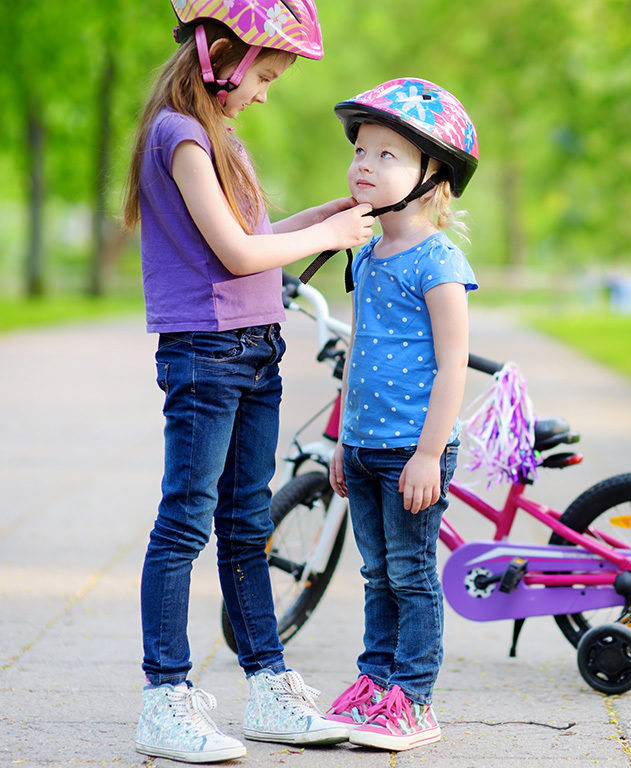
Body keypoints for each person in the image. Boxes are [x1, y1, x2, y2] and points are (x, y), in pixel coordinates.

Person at [121, 1, 374, 762]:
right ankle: (164, 697)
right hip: (205, 355)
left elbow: (254, 241)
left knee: (244, 526)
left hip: (256, 352)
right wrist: (328, 236)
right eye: (264, 74)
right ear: (220, 56)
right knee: (184, 524)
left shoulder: (220, 138)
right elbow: (234, 255)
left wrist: (322, 216)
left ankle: (267, 684)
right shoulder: (182, 136)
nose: (266, 91)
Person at [321, 78, 480, 752]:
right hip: (363, 447)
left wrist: (427, 454)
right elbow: (358, 352)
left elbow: (453, 367)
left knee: (411, 575)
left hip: (414, 449)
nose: (364, 163)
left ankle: (413, 701)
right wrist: (340, 438)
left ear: (431, 174)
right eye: (361, 149)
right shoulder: (365, 255)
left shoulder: (439, 261)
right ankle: (375, 681)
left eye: (387, 155)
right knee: (375, 573)